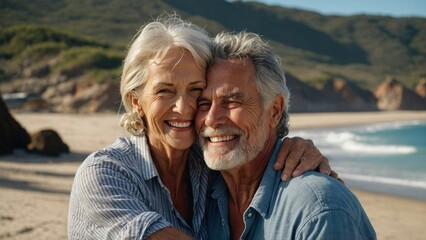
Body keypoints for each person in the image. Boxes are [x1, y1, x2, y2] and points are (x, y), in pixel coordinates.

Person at [68, 15, 335, 239]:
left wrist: (294, 149)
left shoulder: (210, 165)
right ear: (135, 101)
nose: (184, 108)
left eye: (196, 91)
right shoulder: (104, 175)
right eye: (165, 91)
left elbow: (257, 155)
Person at [196, 31, 376, 239]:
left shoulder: (318, 210)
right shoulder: (201, 192)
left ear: (274, 110)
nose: (211, 119)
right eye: (203, 104)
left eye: (232, 102)